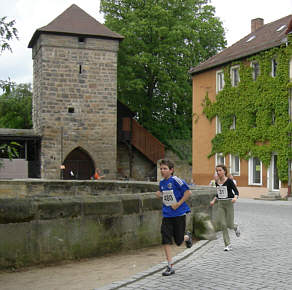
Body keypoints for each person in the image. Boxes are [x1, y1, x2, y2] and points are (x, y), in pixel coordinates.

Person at [155, 159, 193, 276]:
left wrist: (178, 203)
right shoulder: (161, 183)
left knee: (178, 241)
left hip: (179, 214)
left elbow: (188, 193)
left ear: (171, 170)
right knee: (165, 239)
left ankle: (187, 237)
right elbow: (166, 196)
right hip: (167, 215)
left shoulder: (177, 180)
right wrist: (160, 195)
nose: (162, 171)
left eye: (165, 168)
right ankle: (170, 265)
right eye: (161, 168)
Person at [210, 164, 240, 251]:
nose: (218, 172)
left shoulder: (229, 181)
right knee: (223, 224)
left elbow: (236, 192)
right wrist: (213, 200)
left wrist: (235, 197)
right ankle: (228, 244)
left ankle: (235, 227)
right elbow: (218, 193)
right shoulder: (217, 182)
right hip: (220, 204)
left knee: (229, 224)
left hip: (229, 202)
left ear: (224, 171)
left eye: (220, 170)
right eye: (217, 171)